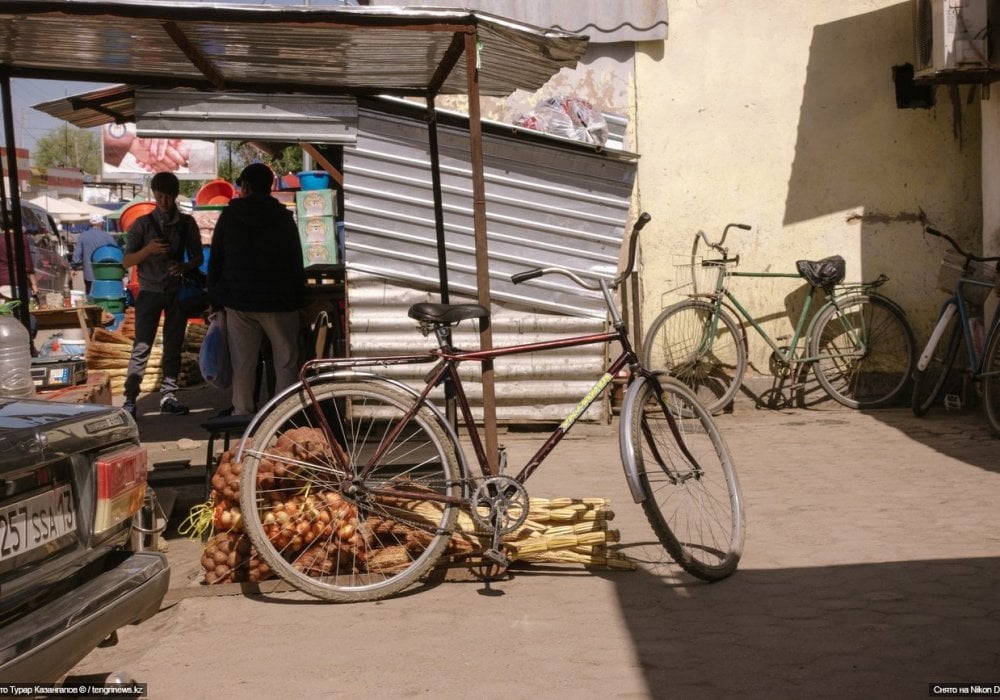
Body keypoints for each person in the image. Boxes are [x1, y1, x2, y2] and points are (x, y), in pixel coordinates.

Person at [208, 162, 305, 416]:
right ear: (270, 188)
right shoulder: (283, 218)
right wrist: (300, 299)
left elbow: (216, 259)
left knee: (243, 364)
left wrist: (216, 299)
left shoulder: (229, 217)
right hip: (279, 301)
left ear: (246, 187)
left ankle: (242, 416)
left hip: (239, 302)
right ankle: (283, 417)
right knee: (285, 362)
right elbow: (296, 260)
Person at [121, 172, 203, 418]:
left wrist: (185, 267)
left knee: (174, 346)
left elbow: (197, 257)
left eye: (168, 196)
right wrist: (148, 249)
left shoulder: (187, 224)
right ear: (154, 195)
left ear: (176, 195)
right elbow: (126, 262)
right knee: (141, 346)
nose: (164, 201)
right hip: (148, 292)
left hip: (177, 291)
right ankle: (130, 399)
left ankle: (169, 395)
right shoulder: (142, 224)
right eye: (159, 196)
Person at [70, 213, 117, 295]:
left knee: (90, 296)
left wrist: (74, 267)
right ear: (101, 223)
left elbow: (77, 255)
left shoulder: (83, 236)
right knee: (104, 294)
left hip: (89, 273)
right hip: (105, 272)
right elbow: (116, 252)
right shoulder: (107, 236)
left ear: (90, 223)